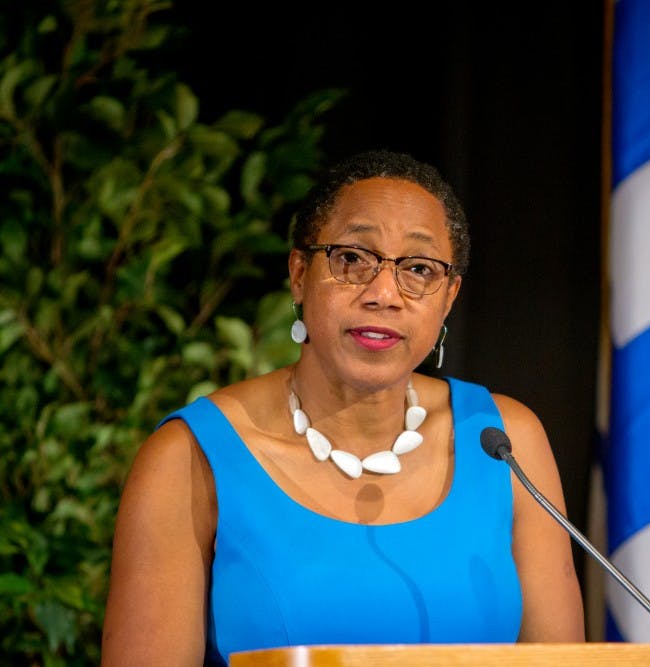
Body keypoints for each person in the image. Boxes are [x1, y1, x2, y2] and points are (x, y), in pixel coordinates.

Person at [100, 149, 585, 665]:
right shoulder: (187, 458)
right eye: (352, 259)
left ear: (448, 298)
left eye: (419, 269)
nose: (383, 294)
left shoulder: (505, 444)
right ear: (298, 274)